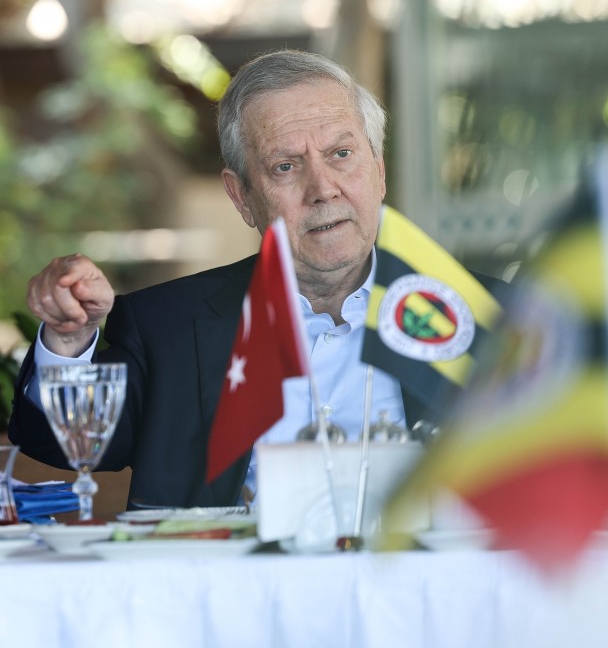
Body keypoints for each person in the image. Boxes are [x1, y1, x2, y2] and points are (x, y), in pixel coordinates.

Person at [8, 49, 492, 510]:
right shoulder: (167, 326)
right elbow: (60, 444)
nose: (323, 189)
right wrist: (69, 339)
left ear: (379, 171)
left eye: (341, 153)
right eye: (286, 166)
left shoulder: (488, 318)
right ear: (241, 196)